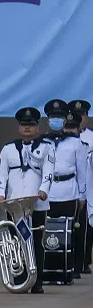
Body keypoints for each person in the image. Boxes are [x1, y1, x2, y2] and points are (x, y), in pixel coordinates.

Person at [0, 107, 53, 294]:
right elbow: (0, 173)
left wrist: (43, 190)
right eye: (24, 125)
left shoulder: (46, 147)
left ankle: (37, 281)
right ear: (19, 127)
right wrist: (0, 194)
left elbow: (49, 172)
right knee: (16, 240)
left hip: (37, 202)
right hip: (14, 203)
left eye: (31, 125)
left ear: (37, 127)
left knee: (36, 241)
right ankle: (19, 278)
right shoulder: (8, 148)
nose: (27, 128)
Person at [44, 99, 87, 279]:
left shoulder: (75, 143)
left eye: (59, 117)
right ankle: (50, 267)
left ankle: (69, 268)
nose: (56, 120)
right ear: (48, 120)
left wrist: (82, 194)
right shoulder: (42, 142)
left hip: (69, 190)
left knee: (69, 232)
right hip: (47, 192)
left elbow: (82, 170)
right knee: (48, 232)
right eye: (53, 117)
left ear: (64, 121)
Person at [70, 99, 93, 273]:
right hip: (69, 185)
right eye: (76, 115)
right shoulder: (66, 136)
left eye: (82, 115)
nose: (80, 118)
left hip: (89, 185)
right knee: (69, 225)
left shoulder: (91, 137)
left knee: (86, 226)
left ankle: (84, 261)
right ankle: (67, 259)